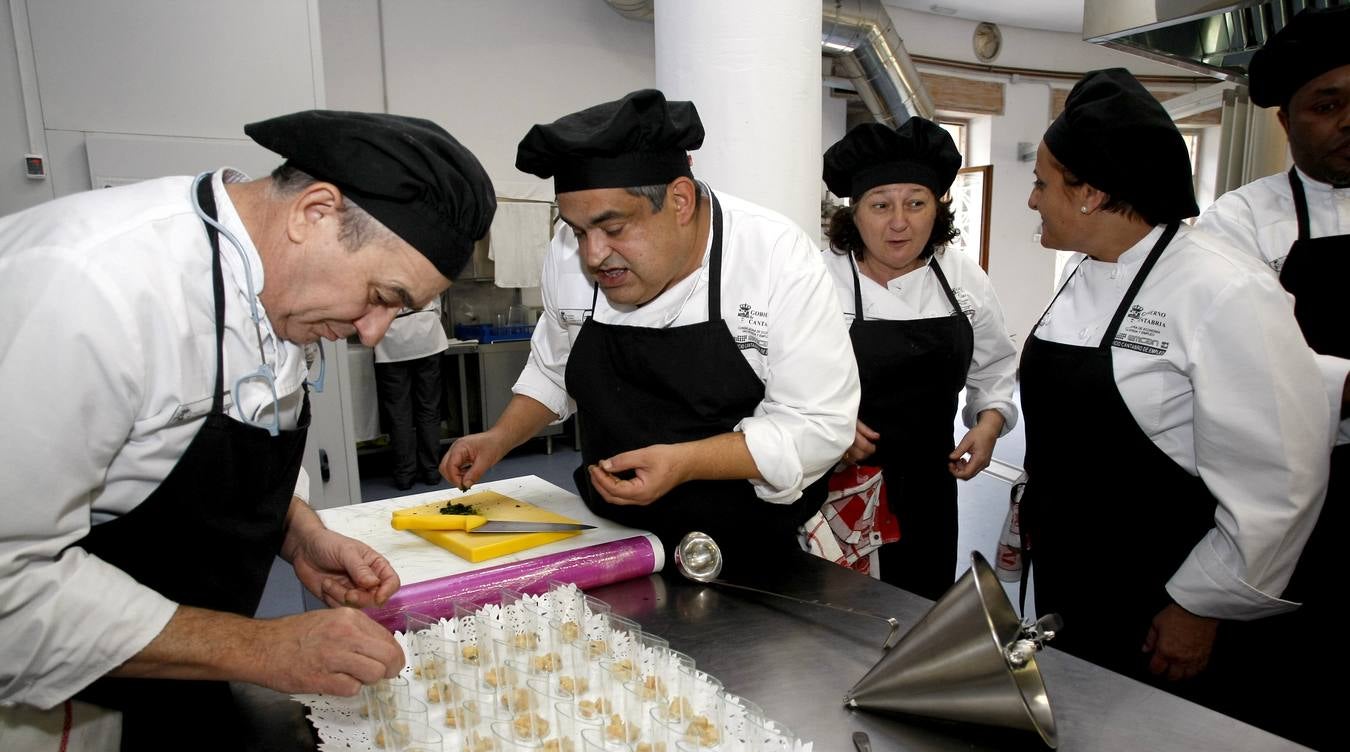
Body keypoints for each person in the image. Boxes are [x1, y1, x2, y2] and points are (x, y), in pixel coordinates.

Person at [0, 109, 495, 752]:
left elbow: (231, 423)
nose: (372, 334)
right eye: (379, 296)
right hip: (61, 695)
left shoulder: (272, 287)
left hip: (183, 674)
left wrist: (295, 531)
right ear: (315, 213)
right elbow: (8, 584)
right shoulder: (88, 288)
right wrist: (264, 650)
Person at [440, 90, 859, 567]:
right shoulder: (566, 253)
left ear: (679, 200)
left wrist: (683, 463)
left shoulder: (774, 257)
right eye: (578, 230)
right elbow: (554, 369)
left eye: (613, 228)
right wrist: (499, 438)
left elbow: (819, 425)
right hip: (612, 537)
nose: (593, 254)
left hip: (748, 539)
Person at [1019, 69, 1330, 709]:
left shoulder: (1223, 289)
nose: (1031, 200)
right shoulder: (1087, 274)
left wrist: (1200, 606)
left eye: (1041, 183)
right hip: (1073, 581)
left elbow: (1278, 480)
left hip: (1159, 599)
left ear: (1091, 194)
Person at [1194, 5, 1349, 752]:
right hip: (1296, 492)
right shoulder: (1239, 224)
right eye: (1327, 105)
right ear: (1287, 121)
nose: (1349, 120)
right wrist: (1344, 388)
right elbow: (1242, 370)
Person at [820, 118, 1017, 599]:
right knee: (837, 611)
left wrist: (989, 423)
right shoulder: (819, 277)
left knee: (917, 609)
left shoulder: (962, 277)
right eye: (881, 204)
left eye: (915, 202)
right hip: (836, 481)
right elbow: (772, 375)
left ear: (937, 209)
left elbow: (994, 365)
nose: (899, 221)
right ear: (855, 211)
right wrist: (824, 428)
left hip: (930, 483)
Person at [376, 295, 451, 490]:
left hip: (391, 339)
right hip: (427, 333)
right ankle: (432, 471)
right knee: (429, 408)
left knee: (398, 412)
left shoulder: (373, 267)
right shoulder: (423, 263)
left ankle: (404, 475)